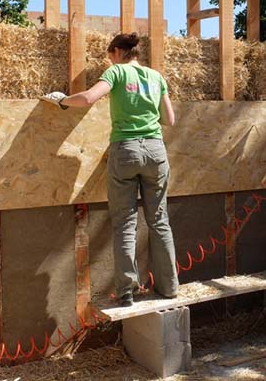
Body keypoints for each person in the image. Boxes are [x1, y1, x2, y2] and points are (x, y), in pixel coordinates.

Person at [43, 33, 179, 306]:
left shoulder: (116, 72)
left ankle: (127, 291)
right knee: (159, 221)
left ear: (117, 51)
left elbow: (88, 98)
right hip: (155, 151)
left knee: (126, 223)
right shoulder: (156, 77)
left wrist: (61, 99)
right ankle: (169, 287)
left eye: (110, 55)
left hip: (126, 149)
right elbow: (170, 119)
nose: (110, 59)